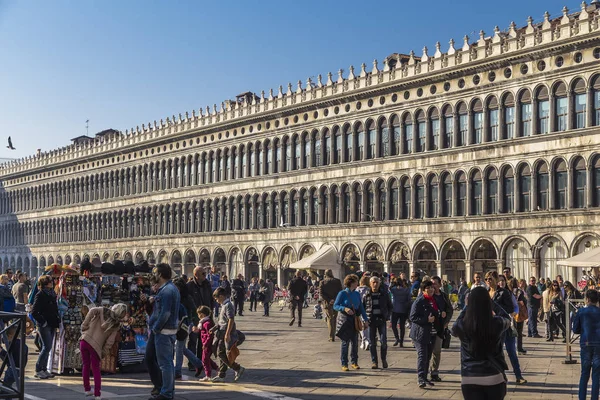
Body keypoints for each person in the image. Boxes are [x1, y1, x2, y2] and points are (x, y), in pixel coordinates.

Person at [452, 286, 510, 400]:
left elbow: (454, 329)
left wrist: (466, 306)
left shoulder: (462, 325)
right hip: (493, 374)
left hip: (470, 376)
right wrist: (491, 303)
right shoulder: (496, 323)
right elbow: (507, 318)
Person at [145, 264, 181, 400]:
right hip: (161, 330)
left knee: (165, 363)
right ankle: (163, 388)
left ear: (160, 274)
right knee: (150, 358)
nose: (154, 275)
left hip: (163, 331)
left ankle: (166, 393)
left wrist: (156, 328)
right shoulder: (167, 289)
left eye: (155, 273)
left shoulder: (167, 290)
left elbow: (165, 313)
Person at [485, 271, 526, 385]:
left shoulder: (504, 293)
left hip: (505, 325)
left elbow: (510, 308)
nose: (488, 281)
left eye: (490, 278)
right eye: (486, 279)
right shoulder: (486, 293)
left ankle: (518, 375)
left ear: (496, 280)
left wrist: (496, 311)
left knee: (511, 351)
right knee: (497, 352)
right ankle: (502, 376)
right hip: (493, 327)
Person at [80, 303, 128, 400]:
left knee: (85, 365)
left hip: (85, 340)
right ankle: (97, 394)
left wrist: (85, 325)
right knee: (96, 369)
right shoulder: (115, 325)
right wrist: (103, 352)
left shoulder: (102, 310)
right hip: (96, 346)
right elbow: (110, 342)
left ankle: (87, 389)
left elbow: (92, 310)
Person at [333, 274, 369, 371]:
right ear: (352, 283)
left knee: (355, 342)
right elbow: (335, 306)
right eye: (356, 281)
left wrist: (365, 320)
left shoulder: (357, 294)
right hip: (345, 320)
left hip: (354, 320)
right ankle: (344, 363)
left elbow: (361, 308)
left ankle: (354, 362)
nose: (358, 283)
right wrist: (344, 308)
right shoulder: (342, 293)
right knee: (345, 342)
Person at [211, 287, 245, 382]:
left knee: (221, 353)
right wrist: (214, 328)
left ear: (221, 296)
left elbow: (231, 319)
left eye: (217, 299)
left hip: (225, 333)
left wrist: (228, 334)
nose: (216, 301)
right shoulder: (224, 305)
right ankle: (221, 375)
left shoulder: (228, 305)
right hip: (221, 332)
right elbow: (222, 321)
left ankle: (237, 368)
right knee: (222, 353)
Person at [572, 289, 600, 400]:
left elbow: (575, 329)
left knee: (584, 374)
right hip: (598, 344)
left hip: (586, 343)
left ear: (587, 299)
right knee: (596, 375)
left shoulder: (581, 312)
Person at [410, 280, 438, 388]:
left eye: (431, 287)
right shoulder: (419, 301)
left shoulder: (433, 300)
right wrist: (426, 319)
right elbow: (413, 317)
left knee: (428, 355)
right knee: (422, 355)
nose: (431, 289)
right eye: (428, 288)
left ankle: (425, 377)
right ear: (423, 290)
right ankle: (420, 378)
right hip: (420, 333)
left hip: (431, 332)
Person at [186, 266, 214, 372]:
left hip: (206, 318)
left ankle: (201, 362)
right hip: (194, 317)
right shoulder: (189, 286)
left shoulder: (207, 285)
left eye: (205, 273)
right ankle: (192, 363)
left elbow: (211, 300)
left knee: (203, 341)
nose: (205, 275)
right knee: (193, 341)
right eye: (203, 273)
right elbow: (187, 302)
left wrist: (210, 316)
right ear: (196, 275)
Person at [31, 275, 59, 380]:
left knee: (48, 347)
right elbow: (34, 312)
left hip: (52, 323)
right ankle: (38, 369)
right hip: (45, 325)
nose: (52, 282)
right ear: (45, 283)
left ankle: (44, 369)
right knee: (46, 347)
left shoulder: (52, 293)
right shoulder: (40, 294)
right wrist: (43, 322)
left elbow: (54, 308)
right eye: (49, 281)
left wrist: (57, 320)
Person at [363, 276, 392, 369]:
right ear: (370, 284)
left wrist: (387, 317)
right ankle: (374, 361)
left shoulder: (384, 294)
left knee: (383, 341)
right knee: (372, 342)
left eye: (377, 282)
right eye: (373, 282)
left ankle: (383, 359)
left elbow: (390, 306)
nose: (375, 284)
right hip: (371, 320)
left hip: (381, 320)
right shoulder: (366, 295)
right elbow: (363, 308)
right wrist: (364, 320)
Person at [430, 276, 453, 382]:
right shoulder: (427, 296)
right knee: (426, 351)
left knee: (437, 351)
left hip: (440, 327)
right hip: (428, 327)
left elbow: (450, 310)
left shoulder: (443, 296)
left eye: (435, 283)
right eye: (431, 283)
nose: (433, 286)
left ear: (439, 285)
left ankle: (434, 372)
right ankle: (424, 371)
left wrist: (446, 321)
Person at [173, 277, 194, 380]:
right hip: (174, 325)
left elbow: (193, 310)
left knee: (179, 348)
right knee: (181, 348)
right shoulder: (174, 296)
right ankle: (198, 363)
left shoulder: (187, 298)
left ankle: (177, 371)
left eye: (177, 287)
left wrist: (192, 323)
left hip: (185, 325)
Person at [194, 305, 219, 382]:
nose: (198, 316)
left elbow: (209, 335)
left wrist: (205, 344)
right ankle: (217, 368)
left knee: (204, 359)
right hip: (206, 343)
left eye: (199, 314)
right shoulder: (204, 322)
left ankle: (208, 375)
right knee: (206, 358)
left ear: (203, 314)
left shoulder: (206, 323)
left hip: (208, 344)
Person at [319, 269, 343, 342]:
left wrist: (329, 300)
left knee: (330, 319)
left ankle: (331, 336)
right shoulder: (337, 281)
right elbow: (340, 291)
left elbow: (321, 293)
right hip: (336, 302)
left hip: (327, 303)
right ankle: (334, 334)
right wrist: (334, 299)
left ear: (325, 274)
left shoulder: (322, 282)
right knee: (334, 318)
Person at [390, 277, 412, 347]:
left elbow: (389, 288)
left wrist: (392, 283)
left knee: (394, 325)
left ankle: (397, 338)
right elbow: (409, 300)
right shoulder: (407, 290)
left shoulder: (393, 290)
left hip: (395, 309)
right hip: (403, 310)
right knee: (402, 326)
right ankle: (401, 341)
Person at [509, 278, 527, 355]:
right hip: (518, 312)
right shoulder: (519, 291)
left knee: (513, 331)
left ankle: (513, 348)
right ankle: (519, 348)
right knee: (519, 331)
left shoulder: (508, 292)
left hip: (511, 312)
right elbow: (523, 301)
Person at [357, 275, 371, 350]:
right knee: (366, 325)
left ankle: (364, 340)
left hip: (359, 309)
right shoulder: (369, 289)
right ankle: (366, 340)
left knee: (361, 326)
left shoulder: (357, 290)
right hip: (368, 309)